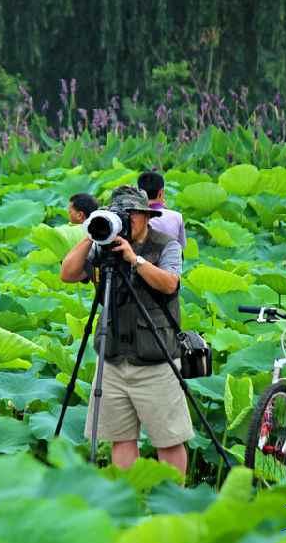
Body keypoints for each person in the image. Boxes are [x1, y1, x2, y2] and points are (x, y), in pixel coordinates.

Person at [60, 185, 193, 474]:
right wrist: (93, 232)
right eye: (121, 213)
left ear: (146, 217)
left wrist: (136, 259)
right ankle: (129, 501)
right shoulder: (103, 245)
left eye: (132, 213)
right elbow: (67, 273)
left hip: (155, 355)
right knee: (120, 438)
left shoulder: (166, 244)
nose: (127, 219)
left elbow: (170, 283)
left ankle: (172, 500)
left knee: (169, 440)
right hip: (113, 354)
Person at [137, 170, 186, 249]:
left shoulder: (134, 217)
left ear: (139, 192)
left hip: (140, 260)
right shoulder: (177, 216)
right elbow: (182, 246)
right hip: (171, 259)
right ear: (161, 192)